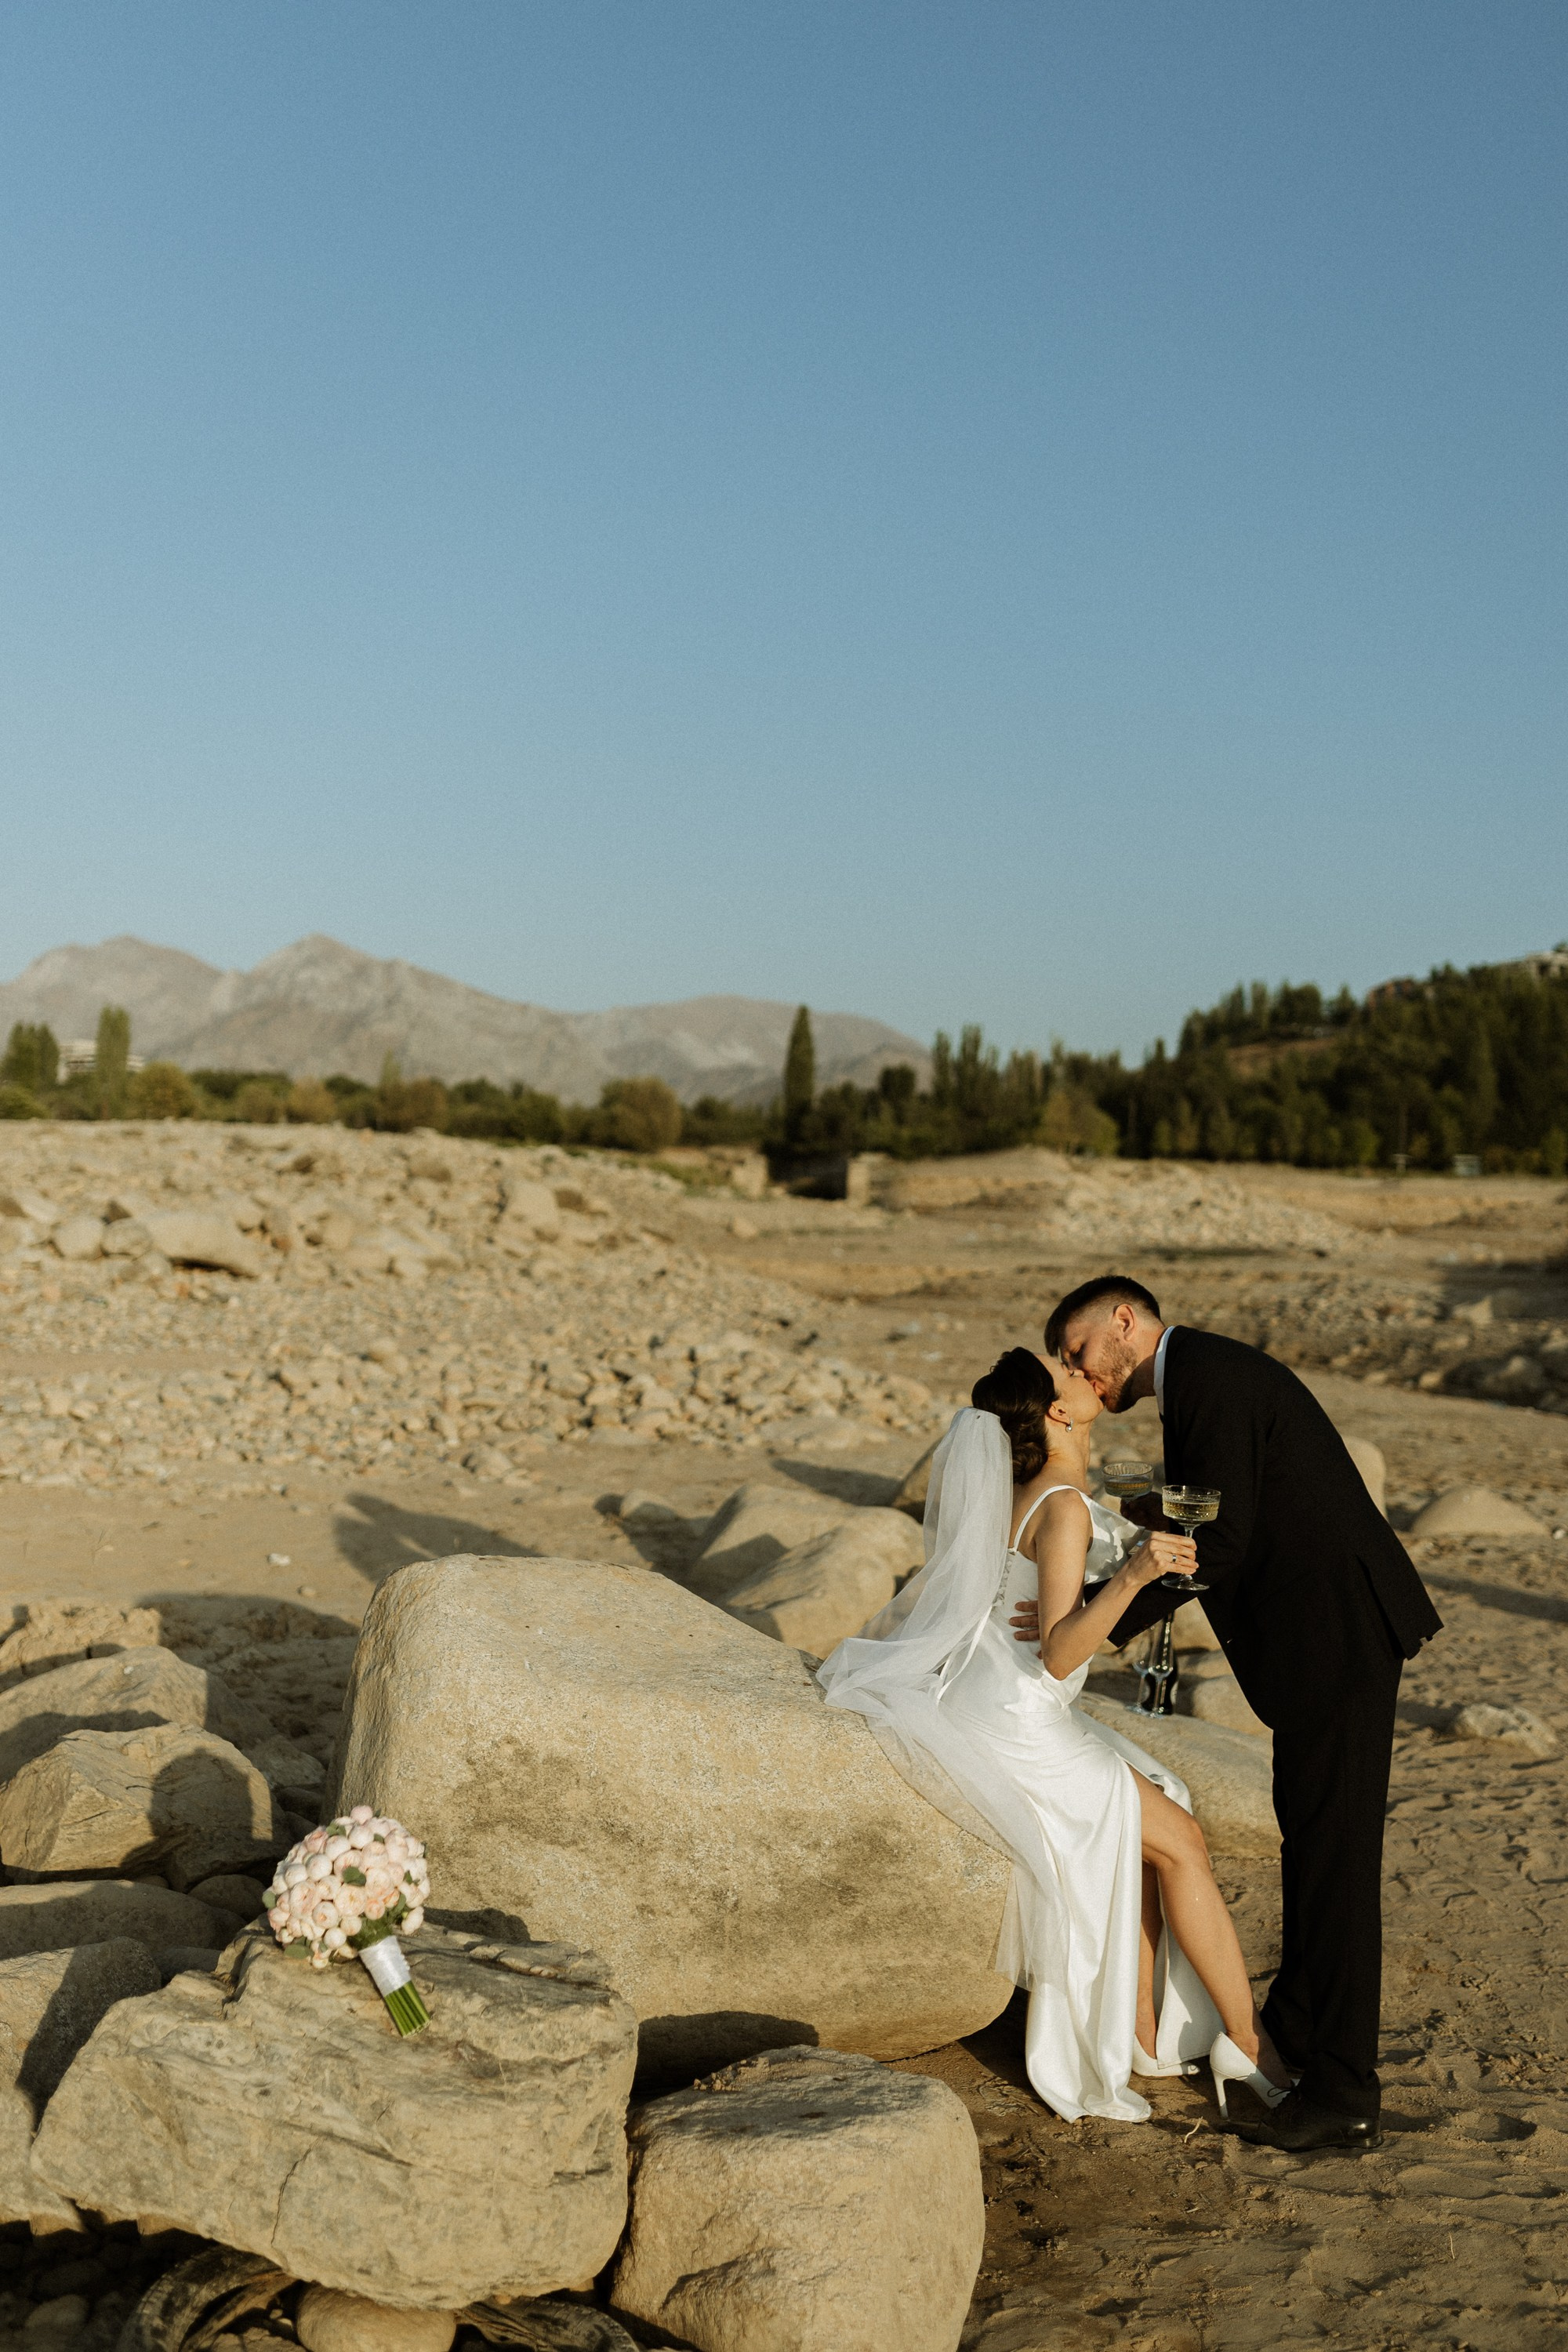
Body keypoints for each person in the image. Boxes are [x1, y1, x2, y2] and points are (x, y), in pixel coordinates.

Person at [817, 1347, 1292, 2124]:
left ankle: (1145, 2031)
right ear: (1058, 1413)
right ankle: (1248, 2042)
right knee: (1182, 1843)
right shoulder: (1063, 1503)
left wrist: (1113, 1571)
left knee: (1156, 1814)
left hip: (990, 1700)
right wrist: (1135, 1576)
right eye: (1068, 1372)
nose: (1083, 1370)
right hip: (1019, 1722)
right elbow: (1063, 1650)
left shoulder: (1023, 1490)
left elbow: (1038, 1609)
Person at [1036, 1275, 1443, 2154]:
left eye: (1077, 1351)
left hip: (1337, 1636)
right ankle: (1292, 2027)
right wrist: (1136, 1510)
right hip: (1320, 1643)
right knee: (1310, 1839)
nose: (1077, 1369)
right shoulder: (1198, 1379)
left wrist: (1092, 1617)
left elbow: (1217, 1538)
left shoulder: (1210, 1378)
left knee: (1336, 1863)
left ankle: (1342, 2094)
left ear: (1121, 1322)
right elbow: (1215, 1508)